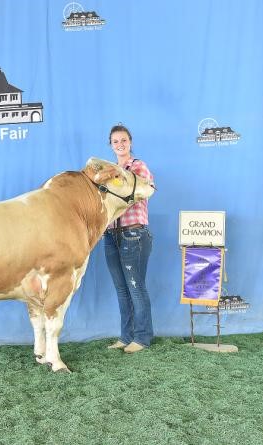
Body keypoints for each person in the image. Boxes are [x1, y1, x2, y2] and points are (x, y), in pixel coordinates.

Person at [103, 124, 155, 353]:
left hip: (133, 232)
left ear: (130, 142)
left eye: (123, 140)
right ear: (111, 145)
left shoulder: (138, 167)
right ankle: (125, 336)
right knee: (122, 289)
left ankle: (142, 337)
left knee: (135, 287)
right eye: (115, 141)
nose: (120, 144)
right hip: (111, 233)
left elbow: (145, 191)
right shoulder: (108, 171)